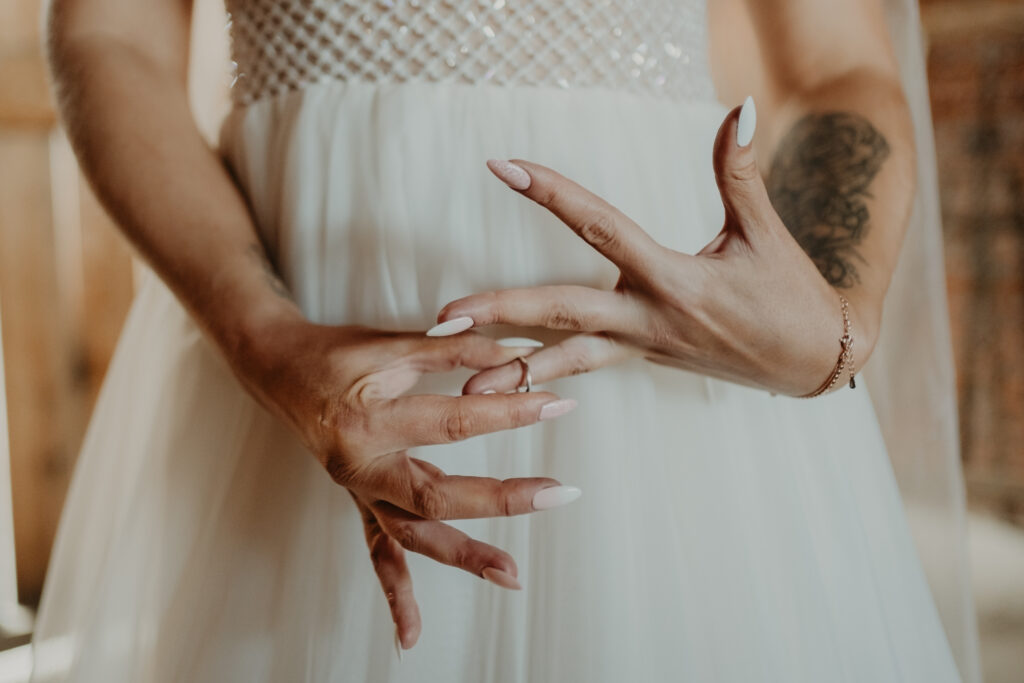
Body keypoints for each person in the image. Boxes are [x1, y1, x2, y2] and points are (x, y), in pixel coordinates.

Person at [31, 0, 975, 680]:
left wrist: (834, 319)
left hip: (678, 364)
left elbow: (836, 66)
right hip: (294, 345)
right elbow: (111, 34)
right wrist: (267, 339)